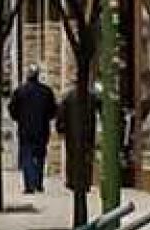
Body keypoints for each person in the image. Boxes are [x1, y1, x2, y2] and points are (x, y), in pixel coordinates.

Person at [9, 64, 58, 194]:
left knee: (27, 156)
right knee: (40, 156)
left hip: (25, 129)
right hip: (42, 129)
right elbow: (53, 110)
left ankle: (29, 184)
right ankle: (38, 183)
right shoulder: (46, 91)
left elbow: (13, 110)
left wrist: (19, 118)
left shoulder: (20, 91)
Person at [57, 82, 100, 195]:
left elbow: (61, 113)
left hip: (72, 132)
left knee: (72, 156)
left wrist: (60, 127)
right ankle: (85, 181)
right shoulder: (91, 96)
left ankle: (72, 181)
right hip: (88, 132)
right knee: (86, 156)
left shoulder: (68, 96)